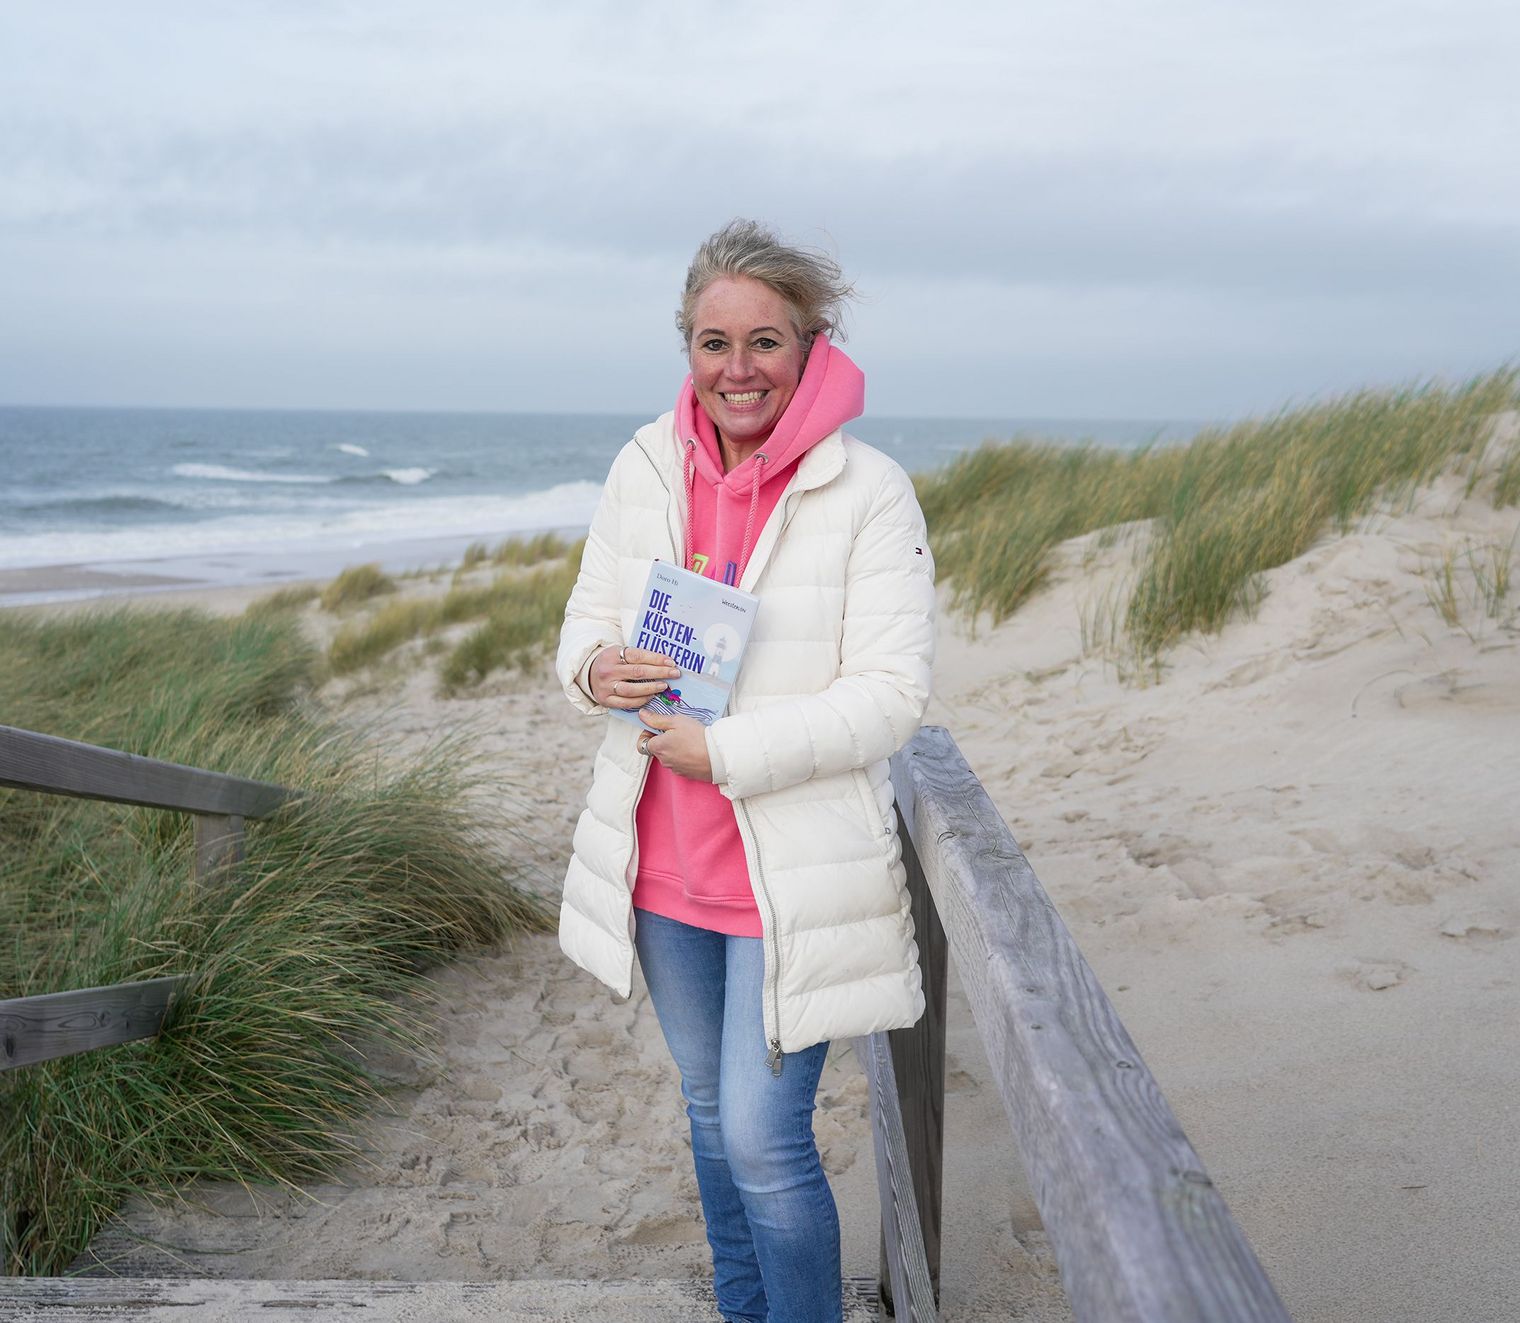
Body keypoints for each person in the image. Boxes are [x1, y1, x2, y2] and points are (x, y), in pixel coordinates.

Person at [555, 218, 935, 1323]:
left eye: (764, 341)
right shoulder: (642, 464)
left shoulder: (868, 492)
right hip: (660, 862)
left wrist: (724, 751)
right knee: (710, 1120)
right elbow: (578, 628)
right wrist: (597, 670)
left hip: (789, 874)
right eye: (713, 343)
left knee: (766, 1145)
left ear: (812, 345)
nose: (737, 369)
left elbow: (889, 697)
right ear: (686, 347)